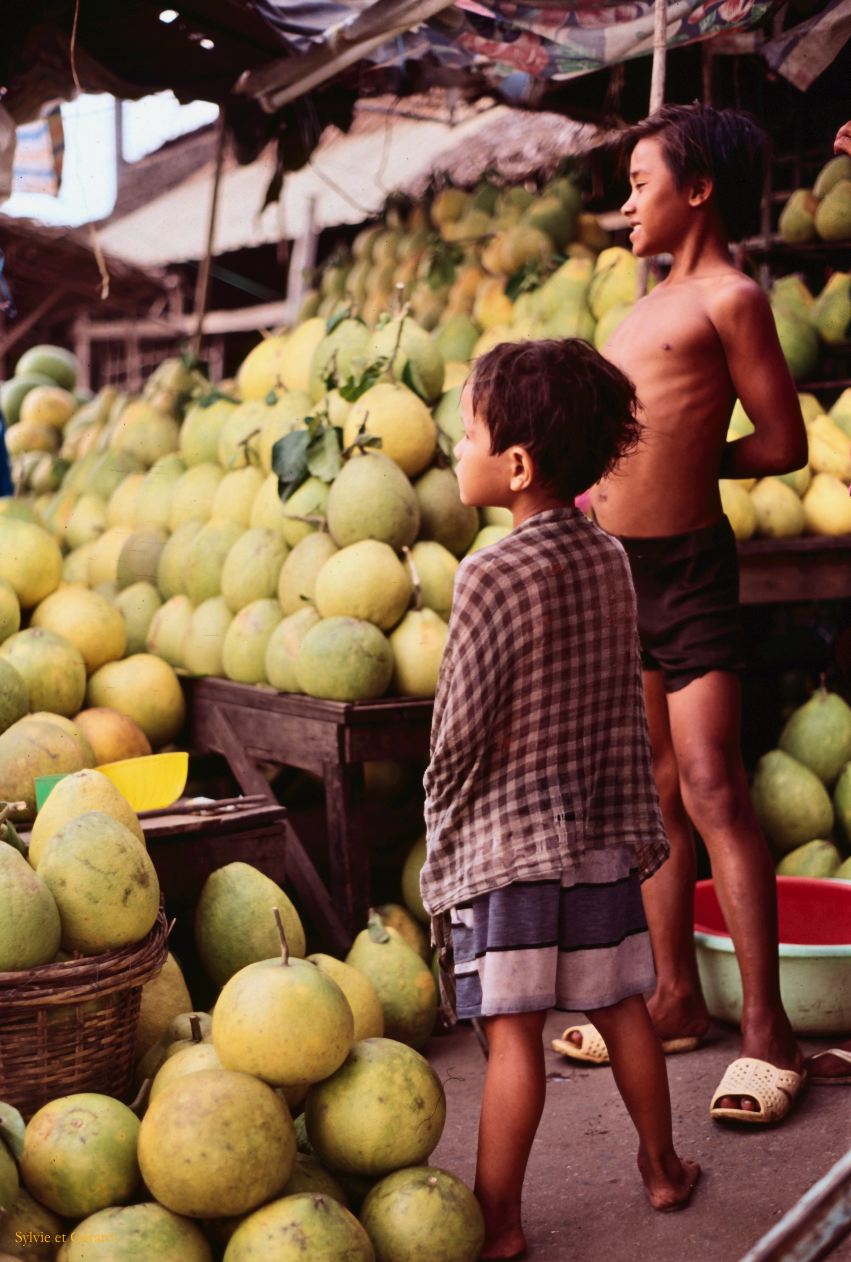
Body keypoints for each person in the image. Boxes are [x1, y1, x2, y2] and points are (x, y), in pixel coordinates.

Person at [421, 338, 699, 1262]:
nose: (452, 447)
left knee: (512, 1042)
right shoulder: (609, 560)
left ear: (516, 466)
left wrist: (443, 829)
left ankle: (498, 1221)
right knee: (624, 1005)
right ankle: (661, 1167)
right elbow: (624, 702)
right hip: (594, 836)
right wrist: (631, 822)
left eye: (465, 433)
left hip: (510, 850)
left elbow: (457, 732)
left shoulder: (486, 576)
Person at [557, 103, 809, 1124]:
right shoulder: (636, 306)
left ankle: (766, 1031)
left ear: (695, 192)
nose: (624, 205)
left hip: (688, 569)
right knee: (651, 789)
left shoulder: (730, 298)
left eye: (639, 183)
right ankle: (670, 998)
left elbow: (781, 441)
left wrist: (689, 462)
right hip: (618, 569)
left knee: (711, 785)